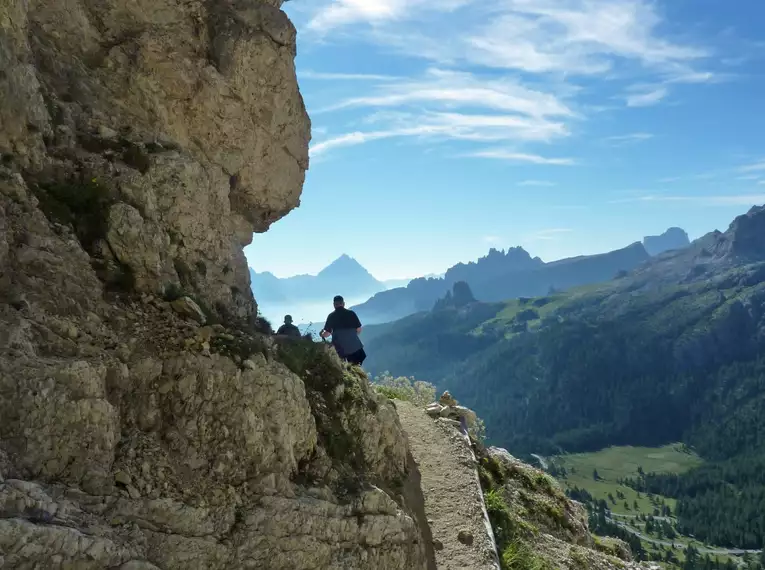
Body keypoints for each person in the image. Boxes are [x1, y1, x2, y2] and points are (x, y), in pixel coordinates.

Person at [320, 295, 366, 365]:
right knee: (357, 362)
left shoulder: (331, 316)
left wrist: (321, 334)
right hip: (355, 347)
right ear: (343, 303)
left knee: (343, 363)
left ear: (334, 305)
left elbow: (327, 334)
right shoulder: (351, 313)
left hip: (340, 350)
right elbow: (359, 329)